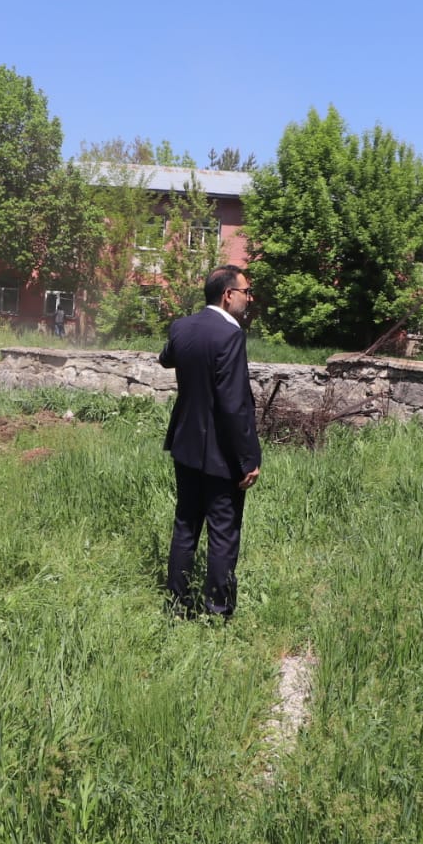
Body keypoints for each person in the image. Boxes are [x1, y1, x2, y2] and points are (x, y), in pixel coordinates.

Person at [158, 265, 262, 619]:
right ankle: (217, 610)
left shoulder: (182, 326)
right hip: (221, 452)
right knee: (223, 531)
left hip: (185, 445)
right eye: (246, 292)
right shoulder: (230, 336)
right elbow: (233, 403)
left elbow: (166, 358)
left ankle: (176, 603)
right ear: (227, 295)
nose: (249, 299)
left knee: (186, 524)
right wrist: (249, 458)